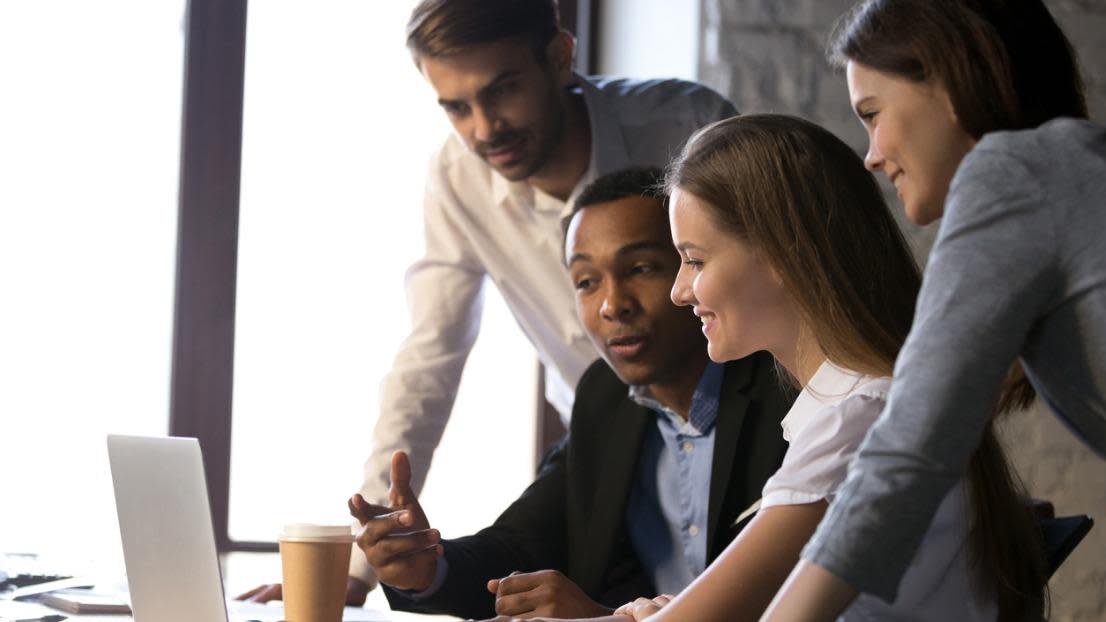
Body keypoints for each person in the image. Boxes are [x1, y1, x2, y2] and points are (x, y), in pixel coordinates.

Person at [238, 0, 737, 605]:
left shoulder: (687, 125)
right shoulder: (458, 177)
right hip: (607, 436)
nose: (483, 128)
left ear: (558, 57)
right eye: (455, 107)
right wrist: (366, 560)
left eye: (501, 91)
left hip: (735, 414)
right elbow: (430, 354)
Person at [487, 114, 1047, 622]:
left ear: (781, 253)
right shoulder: (850, 407)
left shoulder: (855, 419)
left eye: (695, 260)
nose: (682, 291)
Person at [760, 2, 1105, 619]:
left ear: (949, 84)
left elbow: (910, 453)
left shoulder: (1009, 174)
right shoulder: (1066, 168)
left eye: (872, 113)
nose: (870, 153)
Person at [346, 168, 792, 620]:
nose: (612, 304)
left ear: (693, 270)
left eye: (640, 269)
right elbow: (521, 543)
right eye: (586, 281)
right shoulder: (606, 397)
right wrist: (426, 568)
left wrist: (600, 617)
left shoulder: (787, 390)